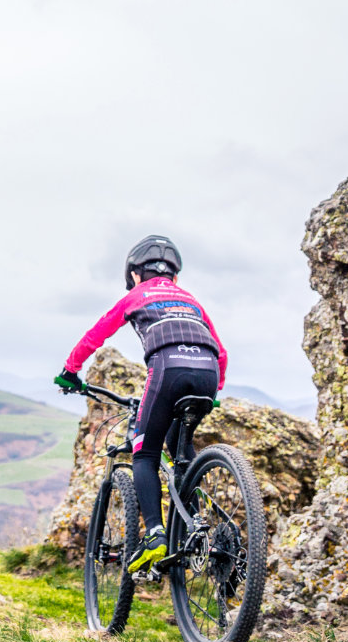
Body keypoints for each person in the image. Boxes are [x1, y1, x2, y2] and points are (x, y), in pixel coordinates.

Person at [55, 235, 227, 574]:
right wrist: (215, 390)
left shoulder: (136, 296)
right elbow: (221, 352)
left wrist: (70, 372)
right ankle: (196, 529)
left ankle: (155, 535)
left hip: (167, 370)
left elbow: (96, 335)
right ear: (175, 277)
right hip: (206, 374)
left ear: (135, 275)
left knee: (145, 453)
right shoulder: (192, 301)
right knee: (182, 450)